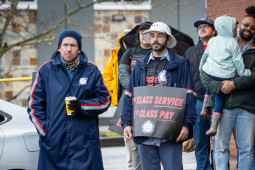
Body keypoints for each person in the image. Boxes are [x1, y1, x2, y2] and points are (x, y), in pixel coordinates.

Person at [27, 30, 111, 170]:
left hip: (85, 141)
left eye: (73, 45)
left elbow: (105, 100)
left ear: (79, 49)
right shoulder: (45, 71)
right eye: (65, 45)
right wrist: (45, 132)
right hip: (54, 142)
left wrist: (82, 107)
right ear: (59, 47)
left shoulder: (91, 70)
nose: (69, 49)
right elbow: (34, 105)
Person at [121, 22, 197, 170]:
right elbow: (129, 95)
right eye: (152, 35)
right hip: (144, 130)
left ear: (168, 39)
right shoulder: (140, 64)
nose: (155, 39)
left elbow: (189, 95)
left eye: (160, 36)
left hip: (171, 130)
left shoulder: (180, 63)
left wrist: (187, 124)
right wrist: (126, 123)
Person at [201, 5, 255, 169]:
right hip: (223, 106)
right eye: (246, 25)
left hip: (247, 106)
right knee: (221, 148)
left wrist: (233, 84)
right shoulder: (218, 44)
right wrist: (217, 86)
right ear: (238, 26)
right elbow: (204, 70)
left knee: (246, 149)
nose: (248, 29)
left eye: (253, 27)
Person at [199, 15, 251, 136]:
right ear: (227, 28)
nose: (236, 31)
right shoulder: (233, 43)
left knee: (209, 87)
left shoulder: (212, 40)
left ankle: (204, 108)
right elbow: (238, 62)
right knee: (219, 99)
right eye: (234, 28)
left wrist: (201, 67)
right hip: (224, 76)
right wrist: (245, 73)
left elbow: (205, 56)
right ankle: (213, 126)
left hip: (209, 71)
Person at [119, 21, 152, 170]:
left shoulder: (160, 53)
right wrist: (134, 90)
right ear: (138, 35)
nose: (145, 35)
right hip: (133, 102)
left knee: (155, 142)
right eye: (142, 32)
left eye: (149, 32)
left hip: (155, 103)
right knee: (134, 143)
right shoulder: (130, 53)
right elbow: (123, 74)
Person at [184, 17, 216, 170]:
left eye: (206, 26)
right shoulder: (190, 52)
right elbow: (186, 78)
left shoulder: (221, 49)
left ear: (214, 30)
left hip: (218, 100)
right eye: (199, 27)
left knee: (219, 143)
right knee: (201, 142)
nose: (202, 29)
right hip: (198, 101)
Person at [103, 29, 135, 170]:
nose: (129, 42)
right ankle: (130, 166)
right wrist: (112, 91)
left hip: (142, 100)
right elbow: (106, 76)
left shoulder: (141, 53)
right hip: (123, 101)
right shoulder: (115, 56)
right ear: (122, 41)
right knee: (127, 137)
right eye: (126, 40)